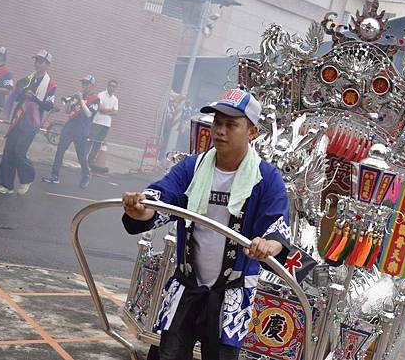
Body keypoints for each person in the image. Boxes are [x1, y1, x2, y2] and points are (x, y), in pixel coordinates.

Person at [122, 88, 291, 360]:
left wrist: (266, 245)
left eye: (231, 125)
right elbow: (163, 198)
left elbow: (277, 226)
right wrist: (140, 209)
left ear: (251, 132)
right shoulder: (193, 167)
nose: (220, 131)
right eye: (217, 123)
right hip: (187, 285)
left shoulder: (266, 178)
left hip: (232, 293)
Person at [0, 50, 56, 195]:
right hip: (18, 119)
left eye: (40, 61)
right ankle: (6, 185)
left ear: (47, 64)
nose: (37, 64)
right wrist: (19, 91)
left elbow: (48, 106)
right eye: (36, 60)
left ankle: (27, 178)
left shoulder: (50, 84)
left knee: (19, 151)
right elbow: (16, 97)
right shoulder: (27, 79)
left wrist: (34, 98)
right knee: (8, 150)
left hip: (31, 123)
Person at [42, 75, 99, 188]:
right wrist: (69, 102)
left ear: (92, 86)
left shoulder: (95, 99)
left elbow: (89, 114)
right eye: (83, 83)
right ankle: (55, 176)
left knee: (81, 156)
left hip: (81, 131)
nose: (84, 86)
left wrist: (81, 100)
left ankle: (86, 174)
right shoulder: (78, 97)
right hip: (69, 128)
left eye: (86, 84)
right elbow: (68, 111)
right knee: (60, 151)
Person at [86, 79, 119, 168]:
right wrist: (110, 110)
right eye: (110, 85)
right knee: (90, 141)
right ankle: (83, 159)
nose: (112, 87)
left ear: (115, 88)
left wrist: (105, 111)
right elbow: (100, 109)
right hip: (97, 122)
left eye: (114, 86)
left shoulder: (115, 99)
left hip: (106, 124)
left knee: (98, 143)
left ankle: (90, 161)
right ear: (107, 86)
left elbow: (116, 113)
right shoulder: (100, 95)